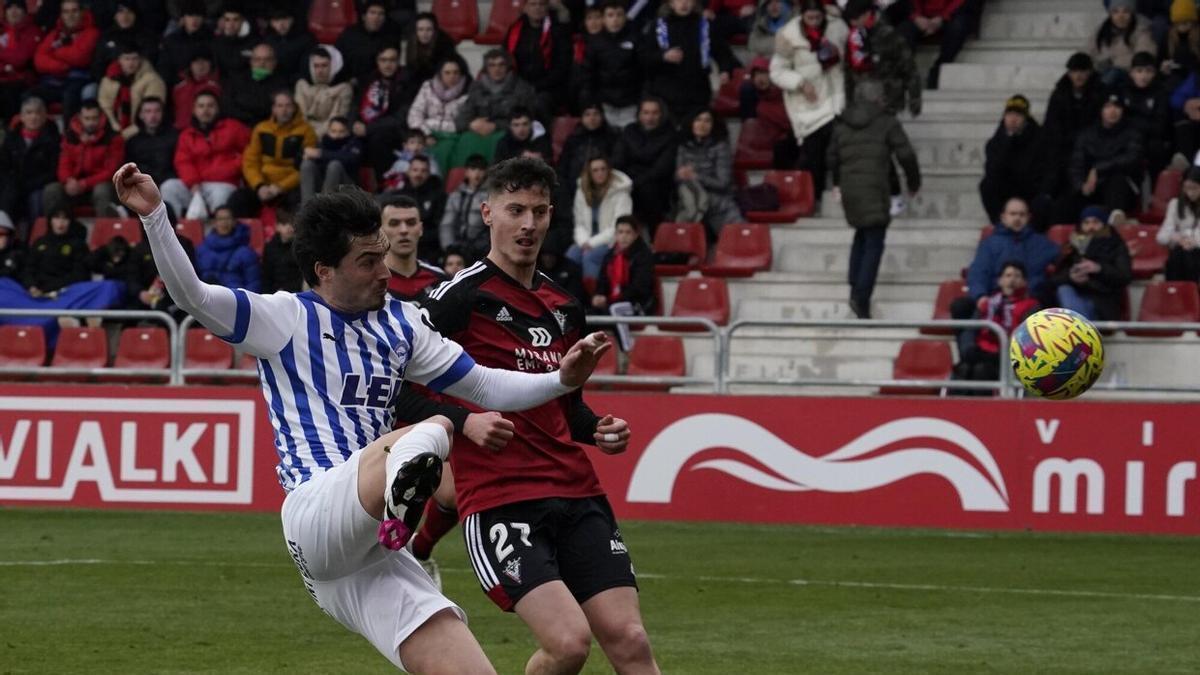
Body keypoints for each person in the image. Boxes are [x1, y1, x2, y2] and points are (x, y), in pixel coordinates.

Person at [113, 161, 612, 673]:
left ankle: (401, 510)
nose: (385, 271)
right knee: (437, 427)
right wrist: (154, 215)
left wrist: (562, 382)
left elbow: (484, 383)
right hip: (316, 511)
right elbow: (191, 295)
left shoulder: (403, 323)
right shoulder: (283, 318)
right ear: (325, 271)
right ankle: (404, 507)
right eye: (368, 260)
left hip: (366, 559)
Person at [411, 157, 658, 674]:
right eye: (515, 210)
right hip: (501, 498)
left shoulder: (563, 303)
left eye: (539, 211)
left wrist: (597, 429)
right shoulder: (456, 298)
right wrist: (464, 421)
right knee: (569, 644)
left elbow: (567, 404)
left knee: (631, 639)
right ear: (487, 213)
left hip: (576, 489)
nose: (528, 224)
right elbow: (396, 389)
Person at [827, 79, 920, 319]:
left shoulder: (843, 123)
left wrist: (837, 183)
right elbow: (906, 154)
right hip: (875, 187)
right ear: (879, 98)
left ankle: (853, 286)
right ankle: (861, 297)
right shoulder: (886, 122)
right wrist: (913, 182)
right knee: (874, 239)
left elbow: (832, 157)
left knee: (862, 233)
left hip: (850, 189)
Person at [639, 0, 737, 123]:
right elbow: (644, 56)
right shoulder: (659, 26)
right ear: (671, 3)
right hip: (665, 93)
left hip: (697, 92)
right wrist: (663, 56)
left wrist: (725, 70)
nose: (684, 3)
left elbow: (723, 53)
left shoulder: (705, 26)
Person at [162, 91, 251, 220]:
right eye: (201, 106)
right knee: (169, 187)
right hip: (195, 185)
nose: (205, 110)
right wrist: (193, 183)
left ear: (218, 108)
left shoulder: (234, 128)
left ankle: (216, 234)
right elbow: (183, 161)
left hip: (223, 183)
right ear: (194, 110)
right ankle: (173, 231)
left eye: (210, 106)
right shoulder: (187, 135)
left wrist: (231, 168)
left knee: (221, 194)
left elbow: (249, 153)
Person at [961, 197, 1061, 308]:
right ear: (1003, 217)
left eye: (1022, 214)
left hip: (1030, 301)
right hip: (995, 300)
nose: (1017, 218)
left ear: (1028, 218)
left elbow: (1062, 260)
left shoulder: (1042, 244)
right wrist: (980, 296)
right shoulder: (989, 244)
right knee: (961, 306)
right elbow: (978, 273)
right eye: (1013, 214)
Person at [954, 261, 1039, 389]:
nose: (1012, 280)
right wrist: (969, 348)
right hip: (981, 352)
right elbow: (970, 330)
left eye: (1017, 276)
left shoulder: (1031, 306)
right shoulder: (988, 303)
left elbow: (1028, 338)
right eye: (1008, 275)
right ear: (1000, 281)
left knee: (981, 371)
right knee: (964, 368)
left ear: (1024, 282)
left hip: (1009, 358)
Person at [234, 90, 318, 216]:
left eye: (288, 106)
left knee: (299, 203)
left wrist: (281, 187)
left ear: (295, 108)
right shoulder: (261, 128)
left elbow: (306, 168)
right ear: (273, 109)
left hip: (291, 185)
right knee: (238, 199)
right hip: (264, 183)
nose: (284, 110)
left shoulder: (306, 131)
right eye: (280, 106)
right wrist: (259, 185)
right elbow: (250, 162)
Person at [1042, 53, 1105, 218]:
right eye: (1074, 71)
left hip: (1091, 151)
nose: (1078, 75)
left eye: (1083, 71)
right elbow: (1051, 128)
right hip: (1064, 150)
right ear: (1069, 73)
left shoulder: (1100, 93)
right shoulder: (1059, 94)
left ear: (1090, 72)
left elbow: (1100, 126)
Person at [453, 49, 539, 166]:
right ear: (486, 68)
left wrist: (495, 126)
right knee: (466, 139)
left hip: (507, 134)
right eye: (492, 65)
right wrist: (471, 124)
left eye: (501, 65)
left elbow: (527, 122)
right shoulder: (476, 87)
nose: (496, 69)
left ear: (508, 67)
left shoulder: (522, 89)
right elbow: (460, 119)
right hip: (478, 132)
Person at [43, 100, 124, 218]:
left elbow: (111, 171)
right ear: (80, 118)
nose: (91, 122)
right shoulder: (70, 137)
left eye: (94, 118)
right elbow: (64, 164)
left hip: (100, 185)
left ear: (101, 117)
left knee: (102, 191)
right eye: (87, 118)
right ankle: (52, 233)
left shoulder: (113, 138)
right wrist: (68, 181)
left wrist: (84, 184)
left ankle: (106, 233)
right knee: (52, 190)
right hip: (75, 185)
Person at [841, 0, 921, 118]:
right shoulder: (854, 37)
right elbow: (848, 70)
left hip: (888, 98)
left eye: (856, 18)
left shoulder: (890, 35)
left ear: (867, 14)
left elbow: (909, 67)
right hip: (861, 98)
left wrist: (915, 98)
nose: (853, 23)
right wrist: (848, 100)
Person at [1069, 93, 1144, 217]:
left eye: (1117, 107)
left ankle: (1115, 221)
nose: (1112, 111)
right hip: (1092, 187)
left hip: (1122, 189)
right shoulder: (1087, 135)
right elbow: (1076, 164)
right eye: (1108, 107)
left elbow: (1131, 158)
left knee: (1117, 181)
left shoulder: (1133, 133)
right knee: (1066, 201)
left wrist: (1098, 169)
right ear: (1100, 110)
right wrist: (1081, 185)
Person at [1052, 205, 1132, 321]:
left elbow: (1124, 276)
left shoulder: (1116, 245)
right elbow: (1055, 278)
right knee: (1064, 290)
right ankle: (1080, 330)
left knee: (1078, 311)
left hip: (1104, 300)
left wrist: (1099, 268)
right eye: (1086, 222)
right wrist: (1071, 277)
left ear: (1104, 224)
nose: (1091, 227)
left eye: (1095, 222)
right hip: (1076, 296)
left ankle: (1080, 331)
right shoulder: (1071, 246)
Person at [673, 107, 742, 237]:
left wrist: (696, 176)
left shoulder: (721, 147)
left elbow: (723, 183)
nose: (702, 125)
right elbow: (678, 177)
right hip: (691, 197)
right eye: (698, 120)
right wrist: (681, 175)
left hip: (719, 200)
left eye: (707, 121)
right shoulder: (683, 146)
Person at [611, 96, 679, 230]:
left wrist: (633, 182)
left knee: (648, 191)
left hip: (656, 183)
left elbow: (661, 169)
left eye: (655, 113)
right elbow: (618, 158)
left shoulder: (670, 134)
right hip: (628, 178)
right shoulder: (630, 130)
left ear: (662, 114)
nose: (650, 117)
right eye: (646, 112)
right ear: (639, 114)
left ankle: (655, 237)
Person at [979, 95, 1047, 225]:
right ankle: (1000, 225)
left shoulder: (1040, 140)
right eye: (1010, 114)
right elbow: (992, 172)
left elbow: (1043, 173)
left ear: (1026, 119)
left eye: (1018, 115)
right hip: (1006, 191)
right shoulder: (995, 142)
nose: (1013, 119)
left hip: (1030, 190)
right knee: (986, 185)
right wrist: (1008, 141)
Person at [578, 0, 641, 128]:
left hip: (631, 103)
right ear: (603, 19)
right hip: (604, 104)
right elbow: (588, 75)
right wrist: (593, 102)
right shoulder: (595, 43)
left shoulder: (636, 39)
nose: (615, 20)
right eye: (610, 15)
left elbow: (643, 71)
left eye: (619, 15)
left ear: (625, 17)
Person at [504, 0, 573, 118]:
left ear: (547, 7)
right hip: (520, 84)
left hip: (550, 88)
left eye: (542, 4)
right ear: (525, 8)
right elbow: (506, 60)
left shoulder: (557, 30)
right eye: (533, 4)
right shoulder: (514, 29)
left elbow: (562, 67)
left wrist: (535, 87)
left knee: (538, 103)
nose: (537, 8)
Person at [31, 0, 98, 119]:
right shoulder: (55, 33)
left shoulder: (91, 32)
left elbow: (79, 57)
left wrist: (54, 52)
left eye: (74, 11)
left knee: (69, 97)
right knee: (29, 96)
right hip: (54, 81)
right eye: (66, 12)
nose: (70, 15)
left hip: (79, 80)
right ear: (61, 15)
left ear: (82, 12)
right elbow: (39, 60)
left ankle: (69, 135)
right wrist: (61, 67)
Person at [0, 96, 59, 230]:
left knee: (36, 199)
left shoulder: (53, 139)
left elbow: (53, 172)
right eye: (29, 112)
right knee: (8, 193)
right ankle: (4, 238)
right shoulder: (11, 138)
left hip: (37, 186)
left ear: (45, 116)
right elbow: (3, 167)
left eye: (38, 112)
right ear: (21, 116)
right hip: (13, 185)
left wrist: (28, 185)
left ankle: (33, 239)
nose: (34, 117)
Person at [571, 154, 633, 279]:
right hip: (586, 240)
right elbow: (579, 223)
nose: (600, 173)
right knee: (571, 256)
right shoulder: (582, 191)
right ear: (589, 173)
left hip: (611, 241)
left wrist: (592, 243)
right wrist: (584, 241)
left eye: (603, 169)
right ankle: (573, 296)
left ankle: (594, 296)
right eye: (595, 170)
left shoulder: (621, 193)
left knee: (590, 257)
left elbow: (619, 226)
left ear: (609, 170)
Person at [354, 45, 412, 176]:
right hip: (366, 128)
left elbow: (400, 118)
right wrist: (354, 124)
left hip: (395, 132)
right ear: (377, 62)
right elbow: (355, 106)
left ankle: (383, 185)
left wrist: (368, 129)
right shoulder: (369, 79)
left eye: (392, 60)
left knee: (378, 139)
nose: (387, 65)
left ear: (398, 61)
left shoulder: (407, 82)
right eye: (383, 60)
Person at [407, 56, 471, 172]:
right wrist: (426, 134)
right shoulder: (428, 86)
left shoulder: (468, 91)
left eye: (456, 73)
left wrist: (430, 123)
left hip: (452, 136)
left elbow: (461, 123)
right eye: (447, 73)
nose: (452, 76)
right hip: (425, 133)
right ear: (440, 74)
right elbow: (414, 115)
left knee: (443, 153)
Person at [896, 0, 977, 90]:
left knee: (959, 27)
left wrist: (942, 17)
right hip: (920, 17)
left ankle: (939, 69)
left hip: (952, 14)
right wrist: (916, 17)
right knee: (904, 30)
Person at [380, 195, 448, 301]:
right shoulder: (370, 281)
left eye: (411, 223)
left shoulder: (440, 280)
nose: (404, 230)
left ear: (421, 229)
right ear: (381, 231)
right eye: (394, 223)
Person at [98, 43, 166, 139]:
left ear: (140, 60)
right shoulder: (108, 80)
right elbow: (105, 107)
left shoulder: (153, 80)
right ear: (119, 60)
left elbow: (151, 113)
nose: (131, 63)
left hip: (141, 132)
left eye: (134, 59)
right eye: (127, 59)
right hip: (114, 129)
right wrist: (114, 127)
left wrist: (123, 136)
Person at [593, 215, 656, 316]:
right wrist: (599, 295)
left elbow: (639, 288)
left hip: (637, 303)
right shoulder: (610, 255)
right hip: (612, 301)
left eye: (628, 232)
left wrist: (610, 300)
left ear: (635, 235)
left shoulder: (644, 256)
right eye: (620, 232)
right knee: (586, 314)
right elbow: (602, 281)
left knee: (613, 310)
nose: (623, 236)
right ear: (616, 234)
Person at [1122, 51, 1171, 178]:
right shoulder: (1122, 91)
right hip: (1125, 138)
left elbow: (1160, 125)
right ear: (1131, 72)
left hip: (1150, 140)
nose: (1144, 76)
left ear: (1154, 73)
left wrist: (1133, 122)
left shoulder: (1160, 93)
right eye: (1139, 71)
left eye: (1148, 71)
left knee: (1156, 148)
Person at [557, 101, 621, 196]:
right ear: (582, 118)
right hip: (574, 187)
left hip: (605, 187)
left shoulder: (612, 138)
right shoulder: (573, 139)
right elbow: (562, 167)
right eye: (587, 114)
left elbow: (617, 163)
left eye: (596, 114)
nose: (592, 118)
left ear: (602, 116)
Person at [22, 207, 88, 296]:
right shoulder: (39, 242)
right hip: (36, 292)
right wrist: (31, 286)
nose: (60, 223)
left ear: (71, 222)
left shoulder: (78, 245)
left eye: (65, 218)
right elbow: (28, 269)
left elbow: (79, 275)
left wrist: (48, 288)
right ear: (50, 221)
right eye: (56, 218)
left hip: (66, 292)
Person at [1089, 0, 1156, 87]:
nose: (1120, 16)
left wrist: (1116, 66)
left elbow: (1143, 58)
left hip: (1128, 75)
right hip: (1102, 71)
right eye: (1116, 12)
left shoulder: (1141, 30)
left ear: (1132, 14)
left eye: (1125, 12)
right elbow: (1089, 52)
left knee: (1111, 76)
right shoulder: (1102, 30)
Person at [335, 0, 402, 85]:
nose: (376, 17)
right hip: (350, 83)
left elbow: (392, 65)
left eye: (381, 14)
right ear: (364, 17)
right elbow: (337, 60)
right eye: (372, 13)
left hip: (380, 83)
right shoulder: (349, 34)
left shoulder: (391, 36)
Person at [222, 43, 290, 127]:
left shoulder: (281, 83)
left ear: (274, 62)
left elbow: (279, 109)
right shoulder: (237, 80)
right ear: (251, 62)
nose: (262, 63)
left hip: (270, 127)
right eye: (257, 59)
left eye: (267, 60)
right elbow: (227, 106)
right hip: (239, 126)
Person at [196, 205, 261, 293]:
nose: (224, 222)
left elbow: (253, 284)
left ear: (234, 222)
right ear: (214, 223)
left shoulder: (246, 252)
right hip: (207, 299)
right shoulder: (202, 250)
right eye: (220, 219)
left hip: (236, 301)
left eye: (228, 218)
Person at [300, 116, 364, 205]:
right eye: (333, 131)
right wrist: (306, 155)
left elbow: (350, 158)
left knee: (335, 165)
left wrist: (321, 154)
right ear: (328, 131)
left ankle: (324, 207)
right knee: (307, 164)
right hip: (324, 184)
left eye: (341, 132)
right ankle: (306, 208)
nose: (336, 136)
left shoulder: (355, 143)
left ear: (348, 132)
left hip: (347, 187)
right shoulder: (323, 142)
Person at [90, 1, 156, 84]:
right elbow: (98, 64)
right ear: (115, 16)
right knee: (90, 90)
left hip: (139, 82)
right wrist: (106, 82)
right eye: (120, 12)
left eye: (129, 12)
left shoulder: (146, 37)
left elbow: (148, 63)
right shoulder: (107, 36)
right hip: (109, 82)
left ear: (135, 15)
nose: (125, 16)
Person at [294, 46, 354, 138]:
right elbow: (300, 115)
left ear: (334, 66)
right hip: (302, 132)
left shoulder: (344, 88)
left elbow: (336, 120)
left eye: (324, 65)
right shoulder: (302, 85)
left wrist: (313, 137)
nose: (320, 70)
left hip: (330, 134)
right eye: (316, 66)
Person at [440, 154, 490, 261]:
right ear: (466, 172)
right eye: (473, 169)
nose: (477, 173)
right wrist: (449, 249)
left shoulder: (491, 196)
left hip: (482, 249)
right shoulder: (456, 195)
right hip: (458, 248)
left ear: (486, 172)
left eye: (481, 169)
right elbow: (447, 224)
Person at [0, 0, 41, 124]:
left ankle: (10, 130)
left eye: (17, 7)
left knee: (9, 93)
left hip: (22, 80)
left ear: (24, 11)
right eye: (10, 8)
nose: (13, 11)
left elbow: (20, 59)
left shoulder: (33, 31)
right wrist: (4, 67)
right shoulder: (1, 30)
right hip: (3, 76)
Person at [1157, 166, 1200, 282]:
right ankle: (1177, 292)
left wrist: (1193, 241)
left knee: (1188, 254)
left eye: (1194, 188)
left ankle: (1191, 293)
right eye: (1186, 188)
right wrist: (1176, 238)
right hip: (1180, 250)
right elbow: (1161, 236)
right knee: (1179, 254)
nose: (1190, 193)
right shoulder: (1175, 204)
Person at [123, 97, 178, 186]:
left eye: (157, 111)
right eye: (148, 111)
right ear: (141, 115)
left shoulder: (175, 137)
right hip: (142, 185)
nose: (153, 115)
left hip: (169, 184)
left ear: (163, 113)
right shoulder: (132, 142)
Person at [156, 0, 208, 89]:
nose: (194, 20)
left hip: (205, 88)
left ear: (203, 18)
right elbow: (164, 69)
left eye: (198, 16)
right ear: (183, 18)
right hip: (177, 87)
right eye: (190, 15)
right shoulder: (171, 41)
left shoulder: (211, 40)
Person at [403, 12, 459, 88]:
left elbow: (446, 73)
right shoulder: (412, 42)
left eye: (428, 29)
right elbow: (411, 69)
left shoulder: (445, 44)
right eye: (420, 29)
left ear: (435, 30)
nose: (424, 33)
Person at [171, 49, 220, 131]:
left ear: (210, 64)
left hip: (208, 132)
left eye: (204, 61)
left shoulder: (217, 87)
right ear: (190, 65)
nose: (201, 65)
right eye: (196, 62)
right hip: (180, 132)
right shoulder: (179, 88)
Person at [262, 8, 315, 83]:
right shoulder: (267, 40)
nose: (281, 24)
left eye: (285, 19)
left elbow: (307, 70)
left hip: (297, 83)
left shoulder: (305, 40)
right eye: (276, 20)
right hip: (271, 82)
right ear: (271, 23)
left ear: (292, 20)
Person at [1158, 0, 1199, 93]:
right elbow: (1160, 60)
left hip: (1195, 78)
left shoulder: (1198, 36)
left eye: (1186, 21)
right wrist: (1163, 69)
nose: (1183, 23)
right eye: (1179, 21)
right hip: (1174, 77)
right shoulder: (1168, 36)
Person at [260, 209, 303, 294]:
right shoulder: (270, 247)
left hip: (295, 293)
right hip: (275, 293)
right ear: (277, 226)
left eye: (291, 224)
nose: (288, 227)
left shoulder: (300, 246)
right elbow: (267, 274)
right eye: (284, 224)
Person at [211, 6, 255, 80]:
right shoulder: (215, 43)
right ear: (222, 21)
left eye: (236, 20)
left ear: (242, 21)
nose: (231, 24)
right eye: (227, 20)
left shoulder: (254, 42)